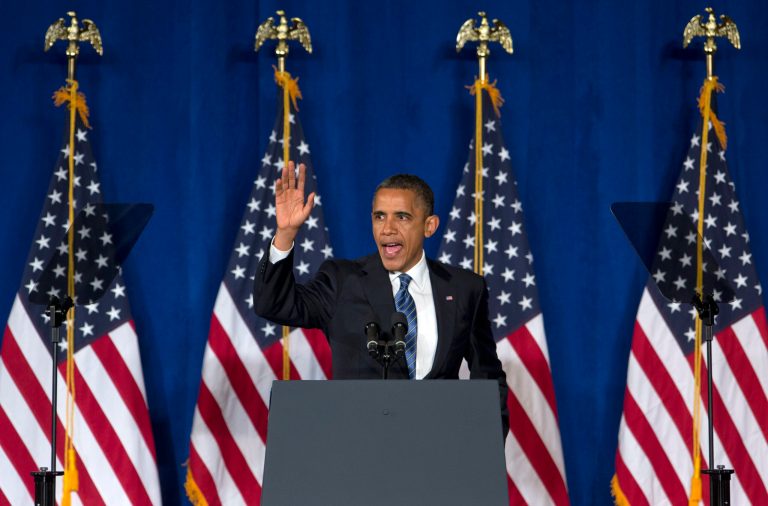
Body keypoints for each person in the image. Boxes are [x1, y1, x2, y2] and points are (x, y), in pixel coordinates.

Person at [253, 161, 508, 435]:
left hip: (438, 454)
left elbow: (488, 377)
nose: (387, 229)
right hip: (359, 454)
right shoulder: (343, 281)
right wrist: (285, 234)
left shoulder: (464, 288)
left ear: (429, 225)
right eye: (379, 216)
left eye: (402, 217)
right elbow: (273, 304)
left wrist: (485, 453)